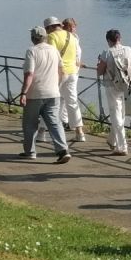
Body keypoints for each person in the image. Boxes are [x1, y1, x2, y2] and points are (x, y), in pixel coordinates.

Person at [19, 26, 69, 164]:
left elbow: (29, 73)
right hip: (53, 93)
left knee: (30, 124)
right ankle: (62, 150)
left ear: (33, 38)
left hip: (35, 93)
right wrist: (57, 85)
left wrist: (23, 92)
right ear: (45, 37)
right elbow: (62, 71)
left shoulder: (31, 51)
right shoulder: (54, 50)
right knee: (54, 122)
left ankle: (30, 152)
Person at [94, 28, 131, 156]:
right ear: (119, 38)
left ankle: (122, 146)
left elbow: (99, 72)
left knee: (116, 113)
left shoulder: (107, 52)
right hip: (128, 85)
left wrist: (99, 62)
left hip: (112, 86)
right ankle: (112, 139)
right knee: (121, 113)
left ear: (108, 40)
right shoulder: (129, 49)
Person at [46, 16, 85, 146]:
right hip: (73, 72)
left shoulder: (52, 37)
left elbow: (51, 56)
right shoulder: (72, 36)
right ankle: (79, 133)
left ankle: (41, 132)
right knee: (72, 102)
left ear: (50, 27)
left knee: (49, 101)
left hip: (59, 73)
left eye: (47, 29)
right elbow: (75, 55)